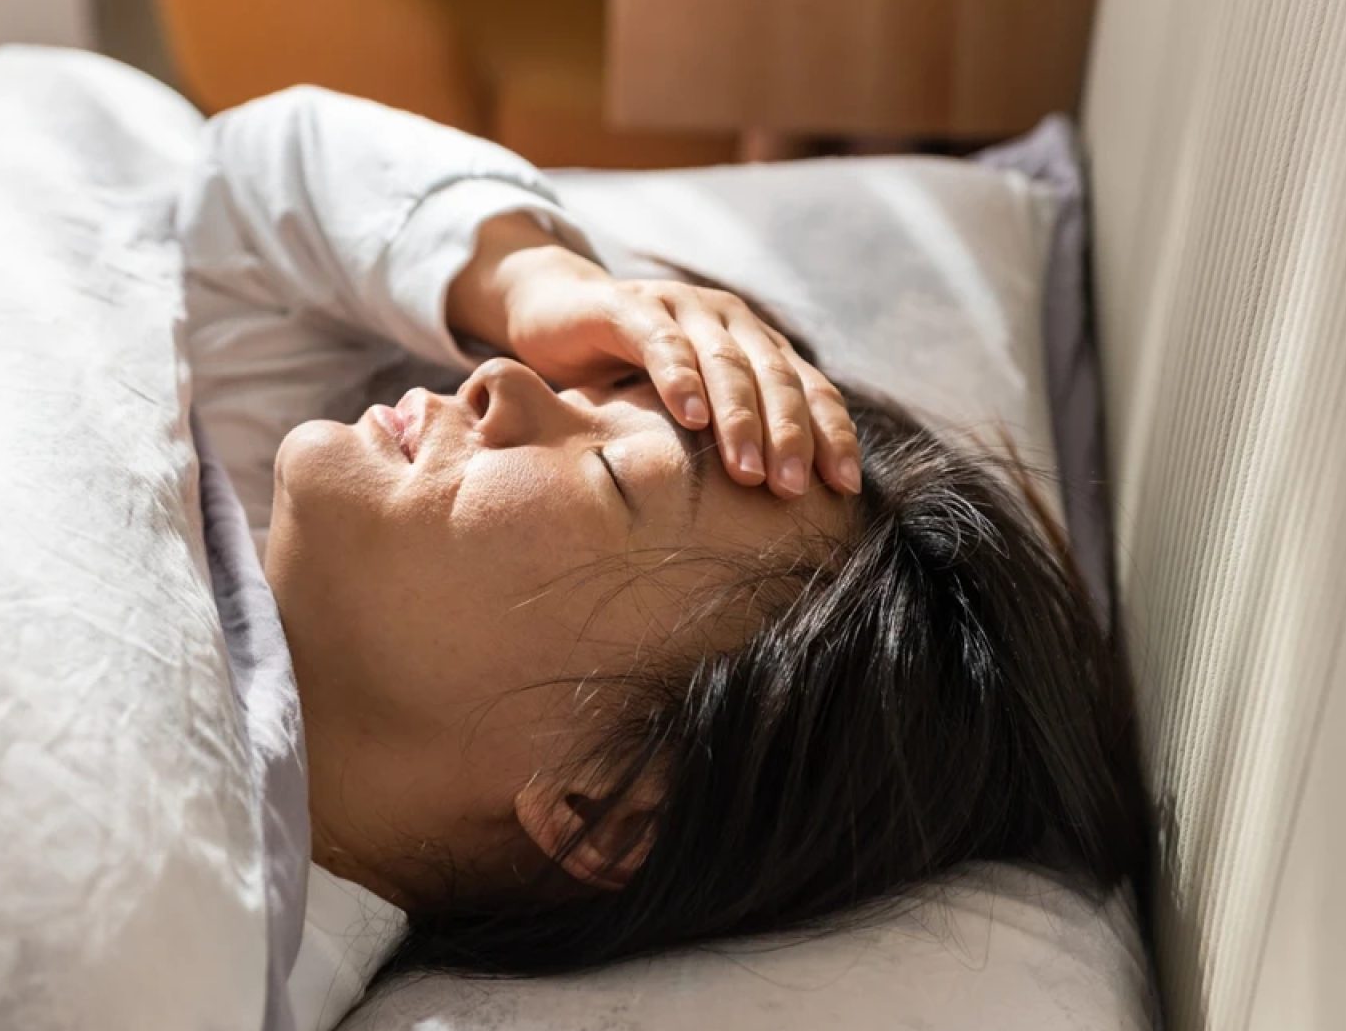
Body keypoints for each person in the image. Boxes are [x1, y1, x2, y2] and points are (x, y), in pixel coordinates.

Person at [183, 87, 1147, 984]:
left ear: (604, 806)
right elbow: (244, 186)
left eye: (607, 473)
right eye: (586, 391)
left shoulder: (176, 929)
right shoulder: (227, 511)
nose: (504, 381)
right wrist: (530, 280)